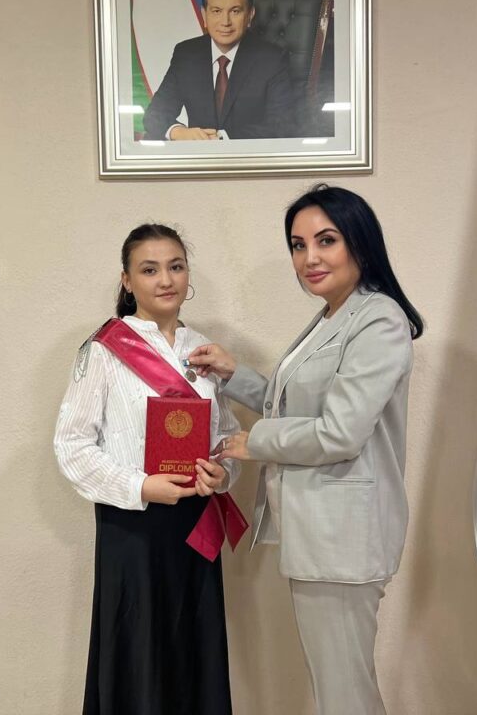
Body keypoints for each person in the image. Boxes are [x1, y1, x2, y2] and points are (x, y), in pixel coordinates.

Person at [188, 185, 424, 715]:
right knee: (339, 687)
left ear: (359, 242)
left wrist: (254, 442)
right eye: (298, 245)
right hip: (322, 533)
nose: (309, 258)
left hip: (344, 537)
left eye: (326, 240)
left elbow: (340, 432)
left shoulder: (378, 319)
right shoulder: (334, 315)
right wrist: (234, 374)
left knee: (344, 694)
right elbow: (297, 403)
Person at [54, 223, 242, 715]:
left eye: (176, 267)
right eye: (150, 269)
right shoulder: (103, 349)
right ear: (127, 280)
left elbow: (226, 438)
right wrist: (140, 486)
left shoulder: (206, 352)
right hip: (131, 525)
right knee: (138, 653)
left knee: (194, 652)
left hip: (195, 524)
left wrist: (222, 474)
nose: (165, 280)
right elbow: (72, 446)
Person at [142, 0, 297, 141]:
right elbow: (155, 114)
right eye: (216, 11)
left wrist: (222, 138)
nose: (225, 22)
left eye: (235, 11)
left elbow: (283, 124)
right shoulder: (186, 53)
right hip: (197, 154)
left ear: (250, 15)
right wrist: (179, 132)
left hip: (249, 154)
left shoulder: (272, 58)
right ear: (204, 15)